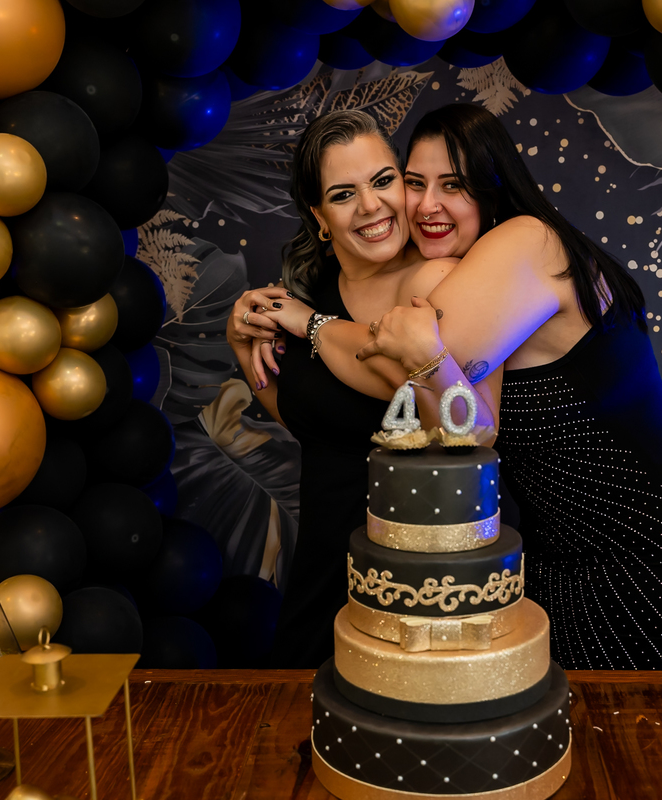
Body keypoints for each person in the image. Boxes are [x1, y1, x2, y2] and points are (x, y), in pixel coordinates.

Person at [242, 103, 662, 671]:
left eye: (453, 185)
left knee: (627, 714)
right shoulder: (472, 263)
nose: (427, 205)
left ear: (493, 189)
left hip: (644, 532)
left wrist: (309, 322)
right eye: (415, 183)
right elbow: (371, 396)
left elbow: (405, 371)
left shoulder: (525, 242)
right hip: (555, 541)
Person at [226, 110, 463, 668]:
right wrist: (241, 346)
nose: (371, 206)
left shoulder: (437, 280)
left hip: (423, 583)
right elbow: (313, 422)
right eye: (343, 194)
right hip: (323, 569)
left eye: (383, 181)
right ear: (319, 217)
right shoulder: (310, 291)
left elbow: (424, 399)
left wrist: (311, 324)